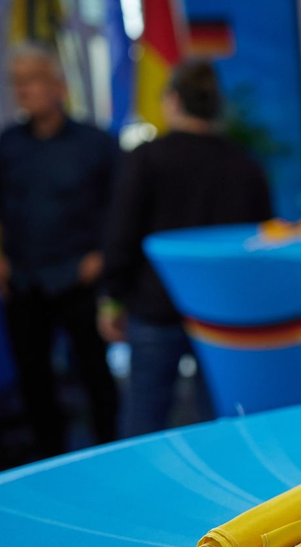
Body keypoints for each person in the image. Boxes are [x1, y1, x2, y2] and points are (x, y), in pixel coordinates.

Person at [100, 59, 272, 436]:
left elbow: (121, 233)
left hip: (155, 306)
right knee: (222, 422)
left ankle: (143, 478)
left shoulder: (146, 158)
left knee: (145, 420)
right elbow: (262, 242)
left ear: (173, 100)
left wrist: (112, 298)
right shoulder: (244, 163)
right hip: (221, 312)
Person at [0, 43, 120, 457]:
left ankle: (110, 453)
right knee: (34, 380)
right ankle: (47, 460)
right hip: (24, 280)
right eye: (17, 82)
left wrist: (101, 257)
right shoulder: (8, 144)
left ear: (58, 85)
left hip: (78, 278)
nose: (24, 90)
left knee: (95, 374)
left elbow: (119, 208)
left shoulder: (95, 143)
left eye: (32, 80)